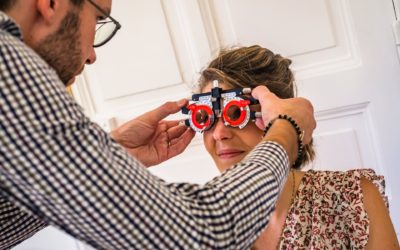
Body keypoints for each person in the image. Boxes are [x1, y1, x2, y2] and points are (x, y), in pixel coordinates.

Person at [0, 1, 317, 249]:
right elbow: (205, 235)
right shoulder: (9, 69)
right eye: (98, 19)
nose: (92, 55)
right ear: (50, 3)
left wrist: (112, 154)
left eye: (234, 113)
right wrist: (288, 127)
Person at [193, 45, 399, 249]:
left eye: (236, 113)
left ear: (284, 113)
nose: (219, 134)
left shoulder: (354, 199)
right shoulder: (199, 226)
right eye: (205, 117)